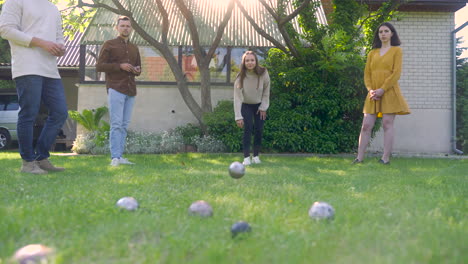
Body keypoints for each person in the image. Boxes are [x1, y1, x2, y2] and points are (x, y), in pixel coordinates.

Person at [0, 0, 68, 174]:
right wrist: (40, 42)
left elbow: (58, 35)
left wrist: (61, 46)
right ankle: (28, 163)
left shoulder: (53, 7)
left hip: (50, 68)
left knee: (60, 112)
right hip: (27, 65)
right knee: (29, 113)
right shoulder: (15, 2)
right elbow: (5, 29)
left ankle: (41, 157)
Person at [354, 22, 410, 165]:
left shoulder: (397, 51)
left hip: (389, 91)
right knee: (366, 125)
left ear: (392, 34)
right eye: (380, 32)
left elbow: (396, 73)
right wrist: (371, 90)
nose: (383, 34)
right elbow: (367, 74)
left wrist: (382, 89)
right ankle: (359, 158)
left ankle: (385, 159)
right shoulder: (372, 53)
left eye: (386, 31)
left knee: (387, 124)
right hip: (373, 93)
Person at [96, 16, 141, 167]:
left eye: (128, 26)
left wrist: (136, 70)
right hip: (115, 87)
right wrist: (119, 66)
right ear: (117, 28)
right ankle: (115, 157)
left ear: (131, 28)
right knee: (116, 124)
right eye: (122, 26)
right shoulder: (109, 44)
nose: (125, 28)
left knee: (124, 124)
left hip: (130, 90)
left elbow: (138, 68)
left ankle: (120, 156)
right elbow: (100, 66)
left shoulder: (135, 48)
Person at [233, 51, 270, 165]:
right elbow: (237, 98)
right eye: (247, 60)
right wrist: (238, 116)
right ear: (244, 62)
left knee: (259, 130)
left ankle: (256, 156)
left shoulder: (263, 73)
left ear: (256, 61)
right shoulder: (240, 77)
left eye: (252, 60)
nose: (250, 63)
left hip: (259, 106)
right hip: (246, 106)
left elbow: (266, 91)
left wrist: (263, 107)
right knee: (247, 130)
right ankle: (246, 158)